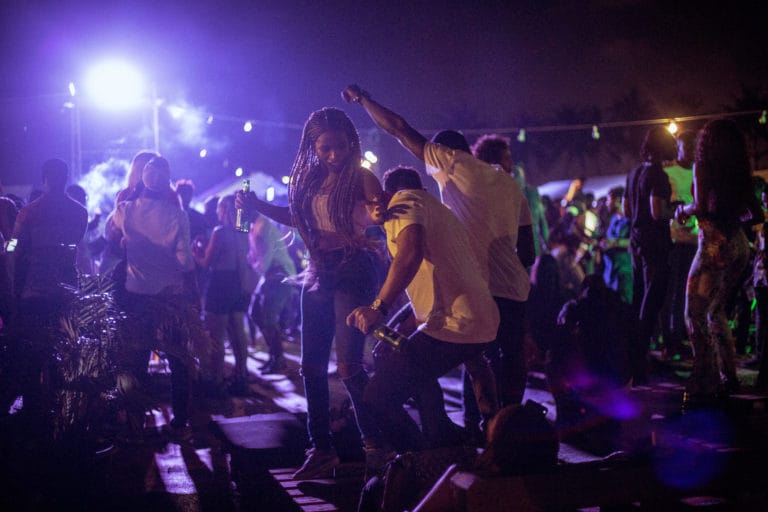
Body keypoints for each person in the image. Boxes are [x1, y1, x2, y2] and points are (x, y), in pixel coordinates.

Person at [344, 85, 535, 417]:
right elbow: (528, 252)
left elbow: (399, 129)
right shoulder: (510, 183)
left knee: (464, 353)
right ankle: (509, 431)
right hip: (514, 292)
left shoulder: (452, 163)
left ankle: (468, 429)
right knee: (506, 363)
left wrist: (363, 100)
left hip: (475, 289)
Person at [236, 107, 386, 479]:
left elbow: (379, 212)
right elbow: (296, 216)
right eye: (325, 148)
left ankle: (376, 447)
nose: (333, 154)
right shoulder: (309, 180)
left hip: (353, 269)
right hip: (319, 270)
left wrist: (380, 210)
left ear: (351, 144)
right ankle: (321, 449)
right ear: (313, 147)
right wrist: (257, 205)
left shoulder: (361, 177)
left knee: (349, 366)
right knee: (311, 367)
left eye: (340, 147)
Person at [346, 166, 499, 453]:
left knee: (377, 398)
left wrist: (378, 308)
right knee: (399, 354)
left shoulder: (404, 202)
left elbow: (411, 253)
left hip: (456, 323)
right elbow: (432, 280)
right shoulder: (432, 208)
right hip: (469, 318)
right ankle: (442, 435)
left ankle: (420, 460)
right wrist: (402, 326)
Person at [109, 155, 198, 438]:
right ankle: (180, 423)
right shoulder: (177, 216)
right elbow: (186, 263)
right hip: (171, 297)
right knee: (178, 360)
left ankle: (134, 421)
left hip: (135, 295)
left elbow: (110, 236)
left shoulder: (125, 210)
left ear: (142, 181)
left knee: (136, 360)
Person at [675, 119, 763, 402]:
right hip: (738, 245)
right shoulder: (740, 170)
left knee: (694, 312)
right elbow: (757, 214)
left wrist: (682, 210)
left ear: (706, 143)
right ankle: (729, 376)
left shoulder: (702, 166)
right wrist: (732, 220)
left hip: (714, 246)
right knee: (716, 311)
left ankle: (706, 378)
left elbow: (700, 205)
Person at [624, 126, 677, 385]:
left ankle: (633, 359)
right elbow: (658, 212)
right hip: (655, 244)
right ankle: (639, 362)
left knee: (639, 300)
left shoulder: (633, 173)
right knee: (652, 301)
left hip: (635, 242)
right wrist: (676, 212)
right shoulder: (658, 175)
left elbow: (626, 210)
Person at [193, 195, 252, 396]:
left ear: (224, 209)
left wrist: (195, 252)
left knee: (216, 337)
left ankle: (215, 381)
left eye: (219, 208)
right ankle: (241, 377)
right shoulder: (243, 230)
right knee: (238, 336)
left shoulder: (219, 232)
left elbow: (206, 262)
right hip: (238, 284)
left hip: (219, 285)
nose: (217, 212)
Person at [662, 131, 698, 359]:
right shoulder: (668, 172)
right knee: (672, 291)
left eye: (695, 146)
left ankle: (681, 336)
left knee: (688, 292)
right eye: (688, 147)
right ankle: (670, 339)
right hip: (674, 239)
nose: (692, 151)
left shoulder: (699, 170)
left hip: (695, 239)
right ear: (679, 148)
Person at [248, 210, 297, 374]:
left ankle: (278, 359)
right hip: (270, 276)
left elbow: (264, 262)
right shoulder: (254, 227)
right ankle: (274, 356)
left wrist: (254, 265)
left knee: (267, 318)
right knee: (255, 313)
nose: (237, 216)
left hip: (279, 275)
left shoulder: (263, 227)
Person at [599, 186, 632, 304]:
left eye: (609, 199)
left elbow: (635, 242)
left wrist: (615, 243)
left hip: (623, 271)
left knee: (624, 306)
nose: (607, 203)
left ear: (618, 200)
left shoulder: (630, 219)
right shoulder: (614, 219)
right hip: (609, 272)